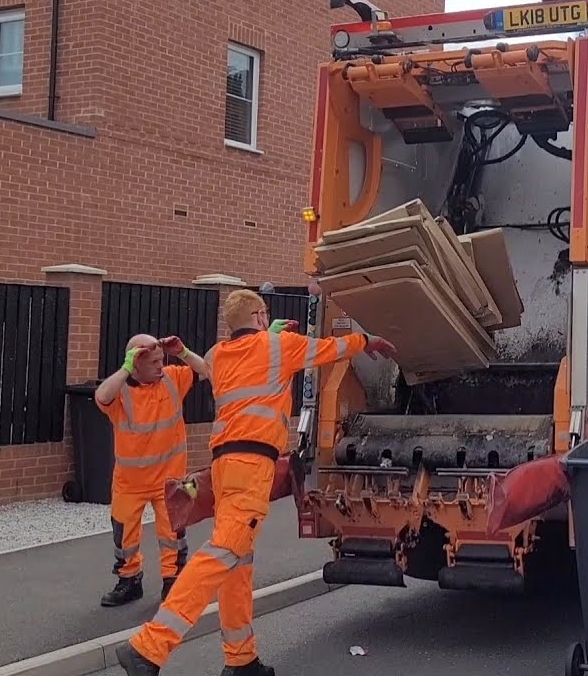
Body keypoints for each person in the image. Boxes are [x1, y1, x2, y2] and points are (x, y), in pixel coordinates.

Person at [116, 288, 397, 676]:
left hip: (223, 466)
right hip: (252, 466)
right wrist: (367, 339)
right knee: (223, 553)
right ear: (262, 315)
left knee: (238, 562)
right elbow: (331, 348)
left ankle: (241, 659)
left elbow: (208, 364)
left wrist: (189, 352)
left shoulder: (219, 354)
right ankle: (149, 647)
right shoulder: (280, 346)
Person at [94, 334, 209, 607]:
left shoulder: (172, 379)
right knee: (125, 537)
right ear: (135, 363)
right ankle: (129, 581)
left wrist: (182, 352)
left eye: (162, 360)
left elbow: (206, 370)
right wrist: (125, 367)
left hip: (169, 479)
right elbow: (101, 395)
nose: (161, 366)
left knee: (173, 535)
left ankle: (173, 581)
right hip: (129, 482)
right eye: (154, 362)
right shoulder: (120, 391)